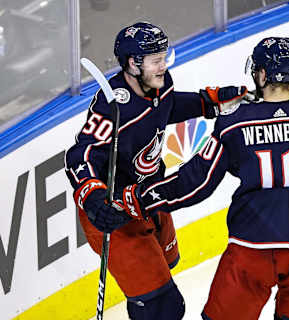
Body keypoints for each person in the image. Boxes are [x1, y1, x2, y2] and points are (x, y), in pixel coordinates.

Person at [121, 37, 289, 320]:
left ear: (262, 74)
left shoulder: (235, 123)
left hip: (252, 249)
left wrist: (138, 199)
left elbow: (196, 184)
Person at [64, 21, 248, 320]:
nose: (163, 65)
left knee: (166, 270)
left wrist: (210, 102)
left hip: (149, 198)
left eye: (164, 56)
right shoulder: (112, 106)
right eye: (155, 60)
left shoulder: (160, 84)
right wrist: (94, 198)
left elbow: (168, 106)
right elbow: (79, 155)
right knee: (162, 308)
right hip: (115, 212)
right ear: (132, 64)